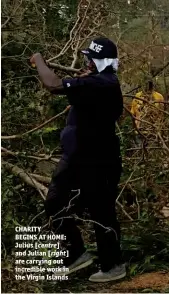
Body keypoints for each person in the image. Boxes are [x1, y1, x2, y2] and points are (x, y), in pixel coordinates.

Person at [30, 37, 126, 282]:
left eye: (90, 59)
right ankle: (76, 254)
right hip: (76, 158)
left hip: (99, 160)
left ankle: (113, 265)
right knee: (55, 202)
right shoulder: (94, 83)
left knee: (102, 212)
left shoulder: (102, 84)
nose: (86, 63)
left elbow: (52, 84)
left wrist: (38, 59)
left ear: (101, 62)